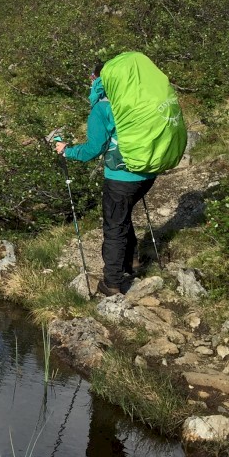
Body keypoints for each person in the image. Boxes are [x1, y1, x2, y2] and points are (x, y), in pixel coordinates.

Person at [54, 63, 157, 296]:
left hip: (121, 177)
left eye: (92, 77)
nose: (90, 81)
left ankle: (111, 283)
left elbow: (94, 149)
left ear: (100, 79)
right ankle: (132, 262)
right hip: (149, 172)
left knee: (114, 226)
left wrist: (67, 150)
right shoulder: (140, 97)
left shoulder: (103, 107)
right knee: (123, 214)